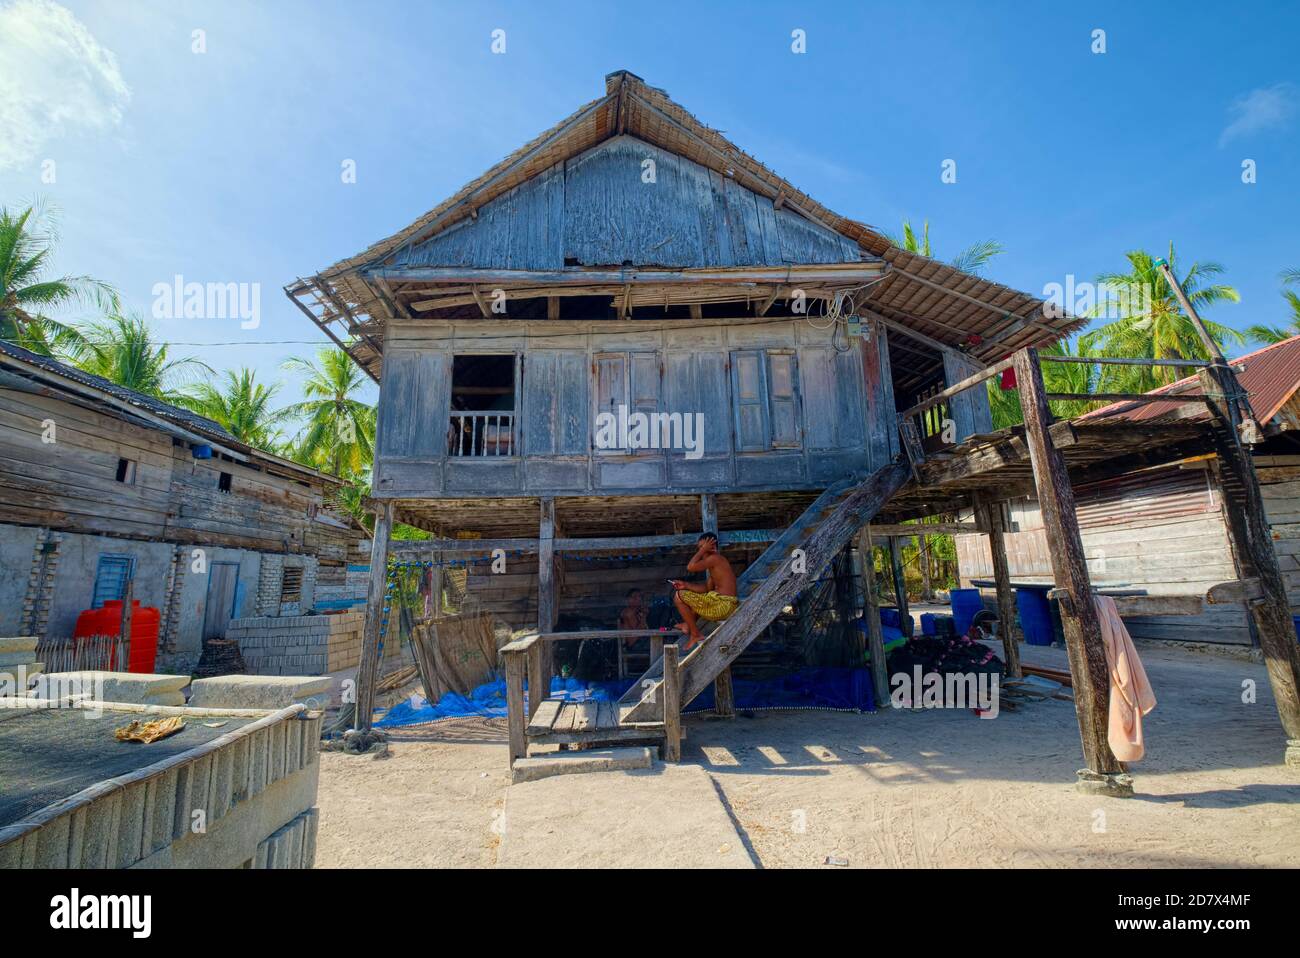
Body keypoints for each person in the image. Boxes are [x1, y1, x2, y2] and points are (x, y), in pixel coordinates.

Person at [671, 532, 739, 650]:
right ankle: (688, 625)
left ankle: (695, 634)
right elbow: (706, 589)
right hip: (721, 605)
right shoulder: (714, 566)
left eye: (703, 547)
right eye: (700, 548)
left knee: (679, 596)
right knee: (696, 596)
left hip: (723, 606)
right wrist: (685, 585)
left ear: (712, 547)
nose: (701, 551)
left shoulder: (716, 558)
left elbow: (690, 567)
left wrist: (703, 550)